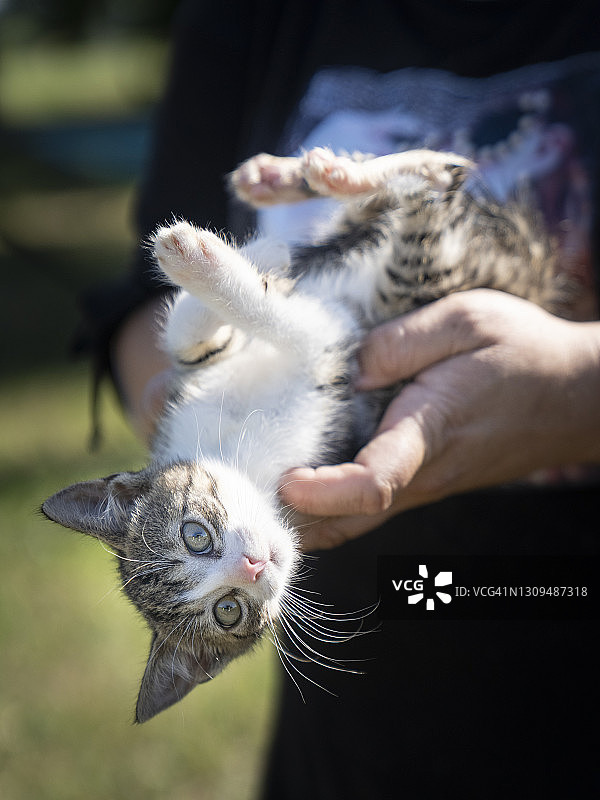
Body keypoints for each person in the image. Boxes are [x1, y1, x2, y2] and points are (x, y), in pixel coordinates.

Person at [80, 1, 600, 796]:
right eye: (230, 613)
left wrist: (575, 387)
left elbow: (191, 282)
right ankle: (404, 188)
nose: (247, 566)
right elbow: (134, 304)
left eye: (199, 543)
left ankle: (398, 187)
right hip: (374, 703)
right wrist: (175, 363)